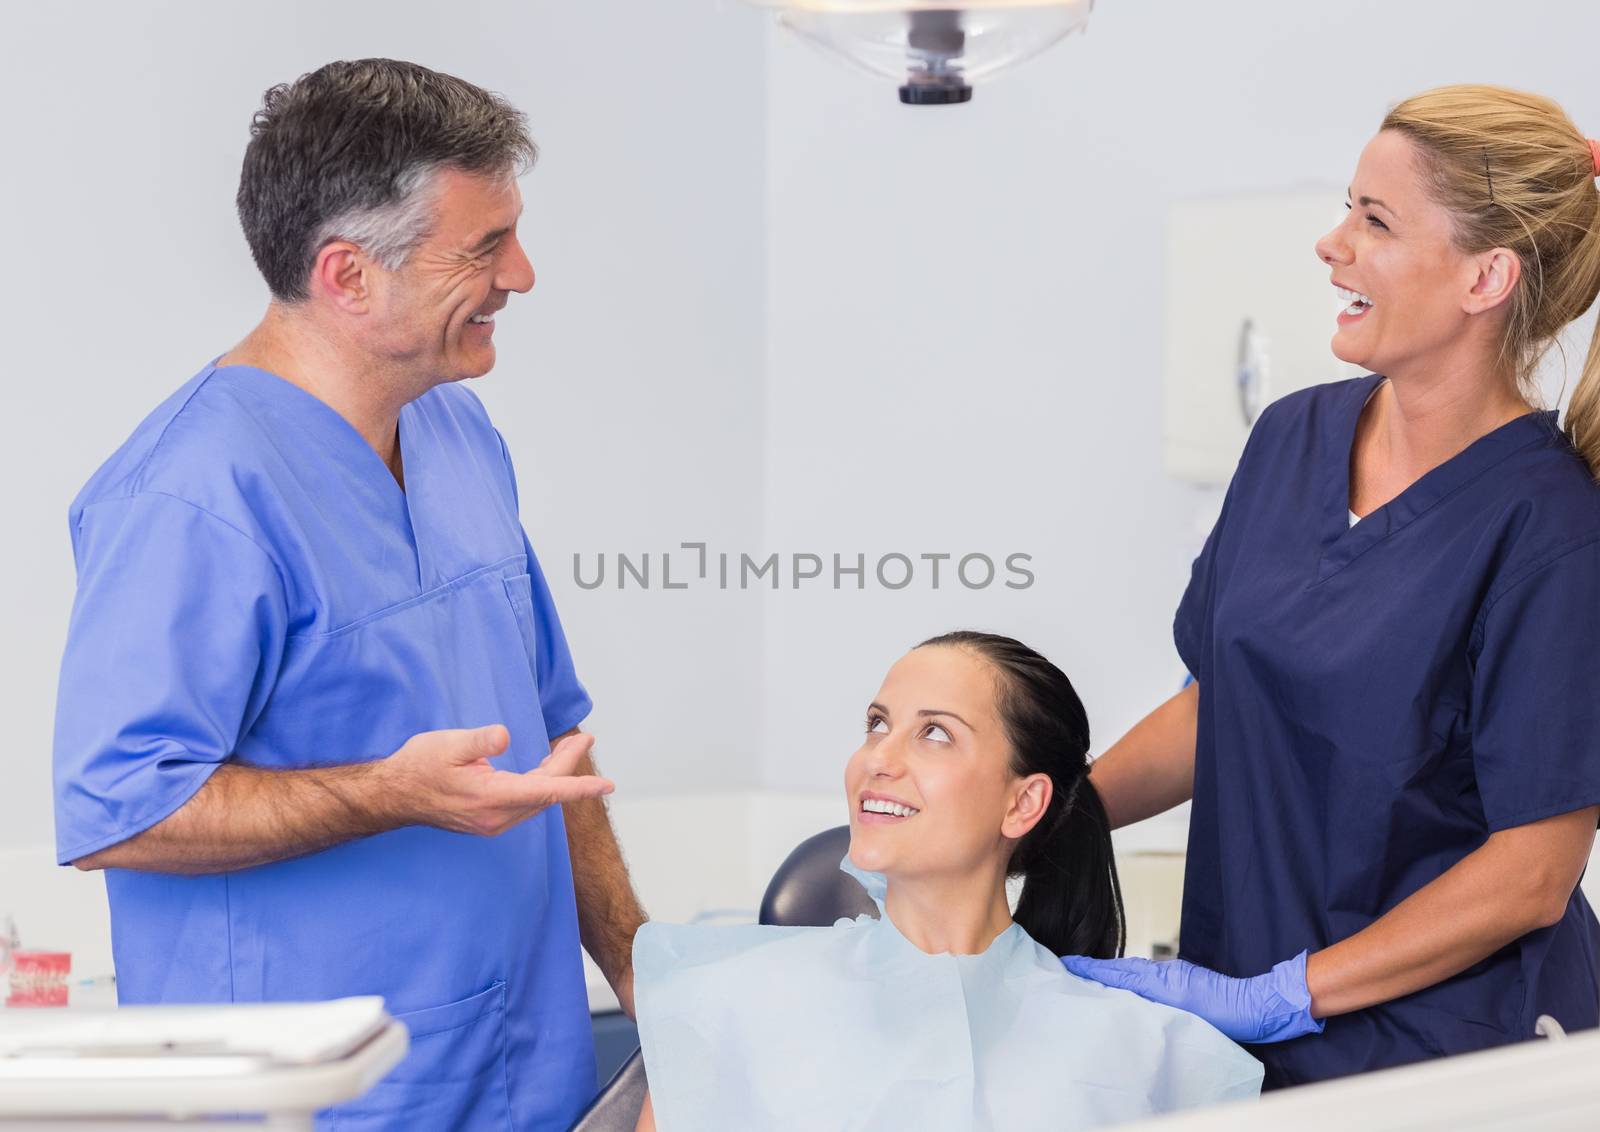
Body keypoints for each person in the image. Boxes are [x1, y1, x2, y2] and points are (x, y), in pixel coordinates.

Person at [51, 59, 646, 1131]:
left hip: (523, 1074)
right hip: (317, 1100)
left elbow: (558, 746)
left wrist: (649, 972)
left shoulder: (457, 435)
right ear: (348, 276)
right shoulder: (191, 495)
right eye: (483, 246)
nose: (522, 274)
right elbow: (116, 808)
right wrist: (389, 791)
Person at [1068, 85, 1600, 1089]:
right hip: (1255, 1043)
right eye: (1345, 206)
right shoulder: (1289, 439)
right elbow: (1222, 706)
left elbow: (1533, 874)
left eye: (1374, 220)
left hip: (1451, 1059)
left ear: (1485, 275)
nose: (1331, 243)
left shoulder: (1551, 528)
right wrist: (1056, 818)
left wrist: (1287, 989)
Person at [630, 632, 1263, 1131]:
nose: (877, 757)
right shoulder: (724, 1003)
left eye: (935, 733)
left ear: (1022, 804)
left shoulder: (1147, 1049)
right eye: (877, 724)